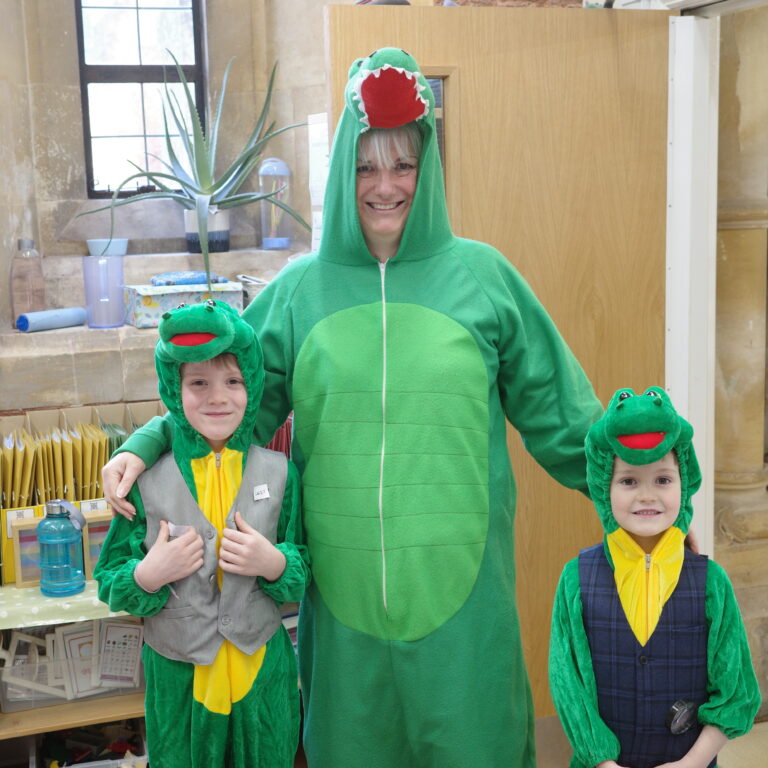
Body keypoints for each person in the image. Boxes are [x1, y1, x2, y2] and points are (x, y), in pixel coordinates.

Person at [101, 47, 603, 767]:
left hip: (466, 620)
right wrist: (144, 445)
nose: (386, 185)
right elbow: (218, 404)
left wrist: (657, 504)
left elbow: (569, 419)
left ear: (426, 169)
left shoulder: (485, 280)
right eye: (367, 166)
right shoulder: (300, 293)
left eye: (403, 165)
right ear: (343, 171)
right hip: (342, 623)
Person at [94, 300, 310, 768]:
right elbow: (109, 575)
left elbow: (302, 567)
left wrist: (272, 563)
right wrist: (148, 576)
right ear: (175, 389)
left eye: (233, 381)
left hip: (262, 673)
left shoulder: (279, 472)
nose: (217, 397)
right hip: (180, 679)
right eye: (198, 383)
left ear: (252, 387)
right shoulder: (145, 477)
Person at [549, 386, 761, 768]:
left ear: (684, 485)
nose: (647, 495)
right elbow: (571, 686)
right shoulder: (575, 580)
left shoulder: (711, 582)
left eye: (662, 480)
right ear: (604, 488)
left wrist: (691, 763)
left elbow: (737, 693)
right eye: (629, 481)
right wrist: (603, 762)